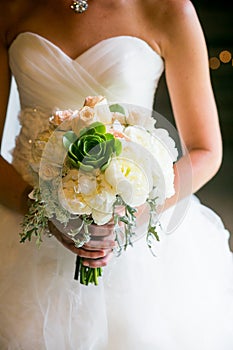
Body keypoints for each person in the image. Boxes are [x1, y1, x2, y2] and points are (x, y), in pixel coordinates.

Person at [0, 0, 233, 349]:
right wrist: (47, 213)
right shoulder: (11, 8)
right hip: (21, 225)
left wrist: (133, 214)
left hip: (134, 234)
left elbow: (206, 150)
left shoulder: (169, 10)